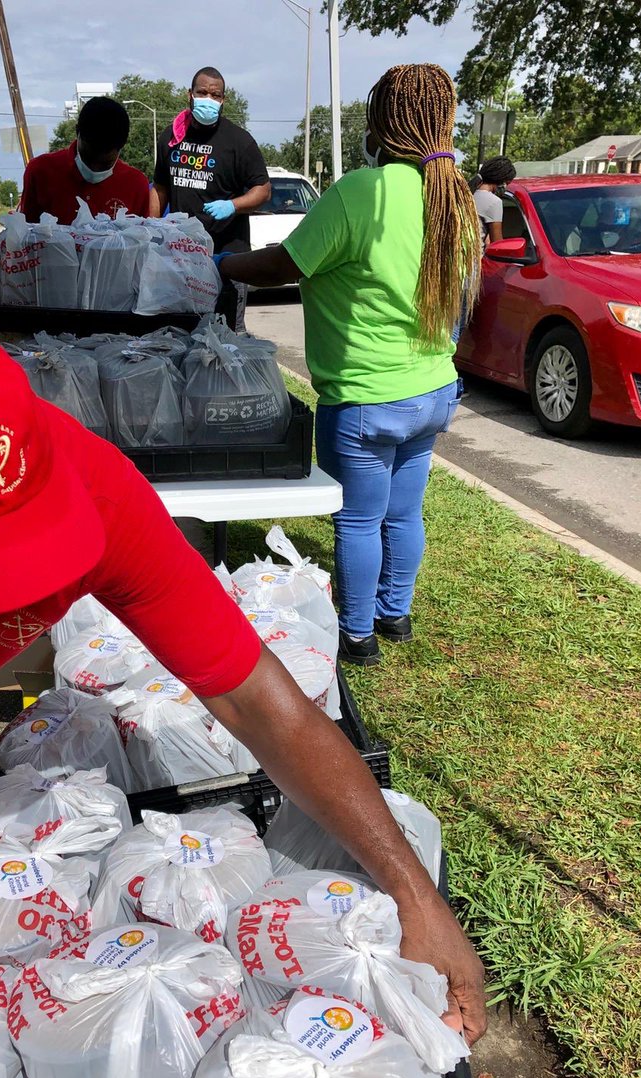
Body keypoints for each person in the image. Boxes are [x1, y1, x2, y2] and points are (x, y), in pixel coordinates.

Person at [0, 316, 485, 1043]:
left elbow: (255, 697)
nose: (10, 596)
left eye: (27, 549)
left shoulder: (93, 487)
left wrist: (414, 895)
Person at [217, 64, 481, 665]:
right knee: (404, 512)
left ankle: (357, 635)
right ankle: (396, 615)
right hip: (433, 389)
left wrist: (224, 265)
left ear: (384, 121)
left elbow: (287, 265)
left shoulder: (362, 191)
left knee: (359, 520)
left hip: (366, 396)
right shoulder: (454, 196)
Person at [151, 67, 270, 329]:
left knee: (228, 336)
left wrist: (233, 205)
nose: (208, 99)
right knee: (180, 330)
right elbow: (160, 188)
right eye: (202, 92)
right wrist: (152, 229)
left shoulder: (239, 141)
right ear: (190, 95)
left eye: (215, 95)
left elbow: (263, 190)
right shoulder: (171, 137)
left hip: (228, 259)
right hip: (182, 256)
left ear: (223, 100)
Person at [19, 96, 151, 226]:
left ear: (121, 146)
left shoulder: (136, 184)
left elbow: (142, 242)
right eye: (89, 159)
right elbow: (25, 236)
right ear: (78, 132)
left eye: (105, 164)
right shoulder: (41, 172)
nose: (95, 169)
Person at [472, 155, 516, 244]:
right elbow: (497, 243)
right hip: (476, 257)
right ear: (501, 180)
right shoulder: (494, 202)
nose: (505, 187)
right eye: (506, 183)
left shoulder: (468, 194)